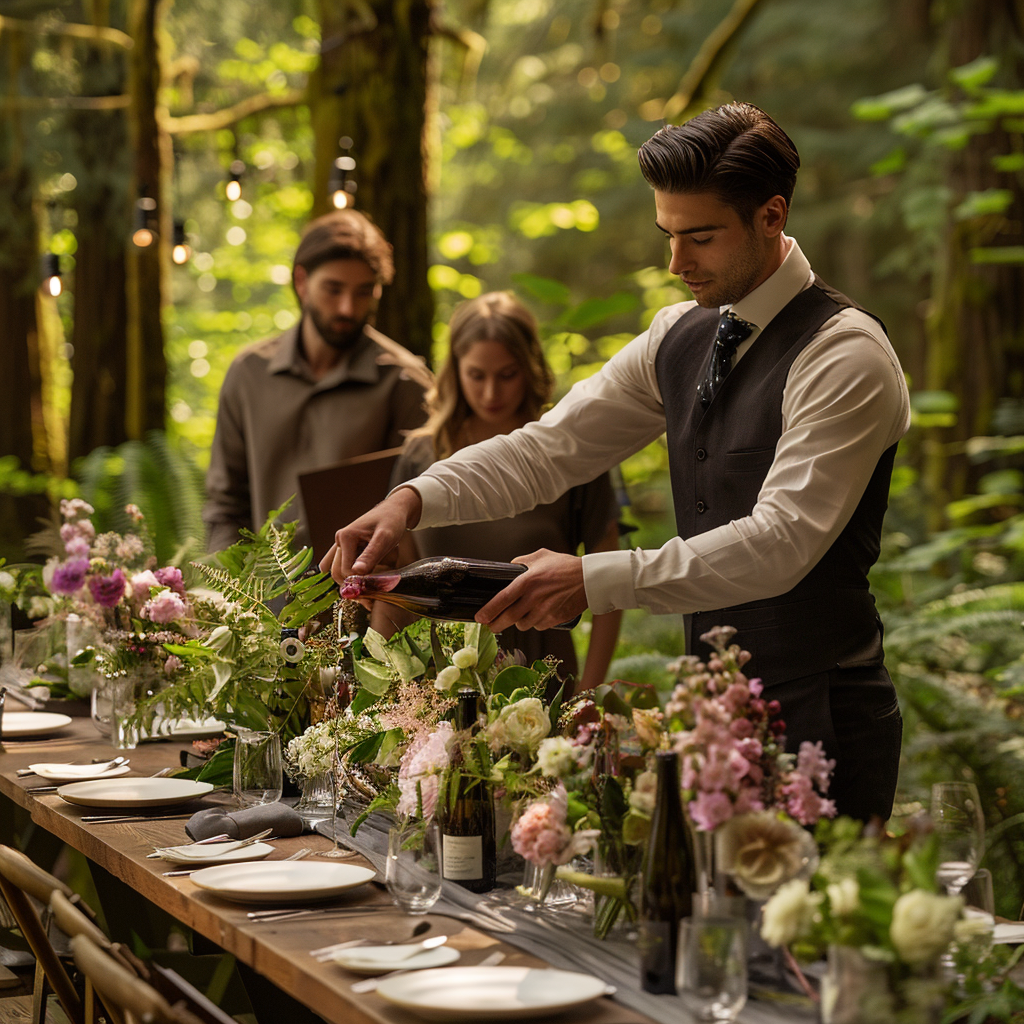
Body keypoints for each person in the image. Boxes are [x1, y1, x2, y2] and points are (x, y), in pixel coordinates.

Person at [323, 103, 911, 823]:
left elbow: (782, 541)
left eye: (700, 237)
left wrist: (597, 579)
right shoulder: (678, 336)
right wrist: (411, 499)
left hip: (828, 718)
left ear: (771, 215)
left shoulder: (845, 354)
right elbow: (549, 448)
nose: (676, 263)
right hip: (713, 718)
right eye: (667, 235)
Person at [372, 291, 623, 694]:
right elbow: (397, 589)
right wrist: (386, 692)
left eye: (507, 375)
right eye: (477, 375)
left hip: (543, 674)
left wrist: (589, 694)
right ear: (455, 371)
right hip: (438, 683)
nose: (491, 393)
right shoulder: (422, 456)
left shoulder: (571, 452)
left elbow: (609, 584)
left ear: (529, 368)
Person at [203, 209, 430, 553]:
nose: (347, 308)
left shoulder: (405, 382)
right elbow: (224, 506)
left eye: (364, 292)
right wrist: (235, 590)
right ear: (301, 282)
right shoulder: (248, 374)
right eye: (333, 289)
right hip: (258, 597)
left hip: (362, 595)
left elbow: (424, 509)